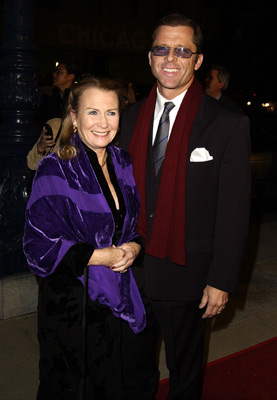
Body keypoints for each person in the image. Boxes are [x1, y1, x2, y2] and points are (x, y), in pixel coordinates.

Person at [119, 13, 251, 399]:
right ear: (149, 57)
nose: (171, 58)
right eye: (162, 48)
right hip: (131, 270)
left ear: (197, 60)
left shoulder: (228, 123)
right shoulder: (126, 119)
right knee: (133, 372)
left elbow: (234, 210)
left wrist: (222, 280)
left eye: (182, 50)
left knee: (185, 377)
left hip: (189, 273)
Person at [23, 76, 146, 400]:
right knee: (71, 387)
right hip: (70, 306)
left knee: (110, 382)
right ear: (74, 117)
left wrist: (134, 246)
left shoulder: (122, 162)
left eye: (112, 112)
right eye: (93, 112)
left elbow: (130, 224)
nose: (103, 123)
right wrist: (97, 256)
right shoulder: (55, 167)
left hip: (114, 299)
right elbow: (37, 247)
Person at [36, 61, 78, 127]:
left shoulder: (77, 98)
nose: (54, 75)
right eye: (54, 72)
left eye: (59, 72)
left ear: (70, 77)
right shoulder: (48, 96)